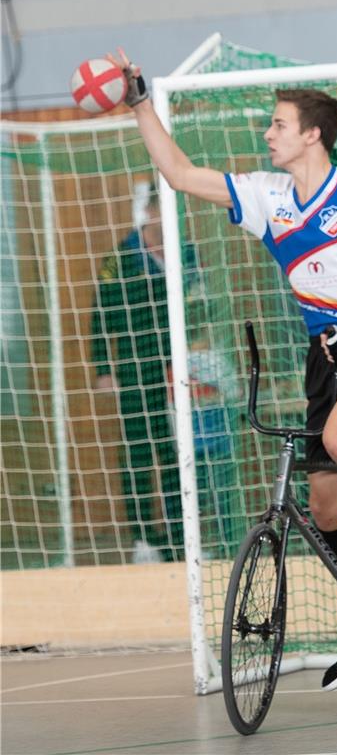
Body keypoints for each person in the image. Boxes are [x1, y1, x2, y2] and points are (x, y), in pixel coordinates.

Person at [112, 48, 337, 692]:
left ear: (311, 133)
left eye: (278, 125)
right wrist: (141, 102)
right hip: (324, 353)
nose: (267, 134)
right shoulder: (266, 196)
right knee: (327, 505)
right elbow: (178, 173)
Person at [91, 186, 184, 563]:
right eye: (156, 208)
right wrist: (103, 369)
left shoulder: (184, 252)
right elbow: (99, 316)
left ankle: (181, 536)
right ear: (146, 211)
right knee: (138, 455)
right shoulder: (122, 256)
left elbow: (201, 304)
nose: (162, 217)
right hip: (134, 368)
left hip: (179, 369)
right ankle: (144, 539)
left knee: (177, 454)